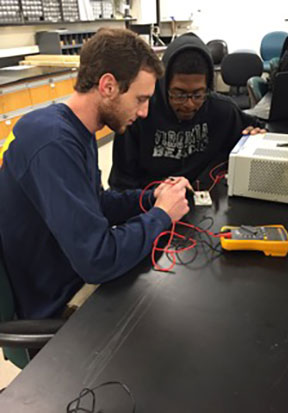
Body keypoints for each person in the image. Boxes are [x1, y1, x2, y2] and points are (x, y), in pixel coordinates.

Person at [0, 28, 191, 320]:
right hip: (58, 304)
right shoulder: (53, 143)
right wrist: (162, 215)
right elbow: (97, 260)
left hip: (73, 274)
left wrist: (152, 197)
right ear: (108, 86)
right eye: (140, 98)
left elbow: (95, 204)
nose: (144, 112)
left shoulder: (77, 129)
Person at [108, 33, 266, 191]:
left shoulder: (222, 111)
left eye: (198, 94)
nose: (189, 104)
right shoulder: (139, 115)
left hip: (206, 205)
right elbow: (121, 186)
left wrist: (255, 137)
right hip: (151, 205)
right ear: (164, 86)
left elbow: (257, 132)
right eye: (179, 94)